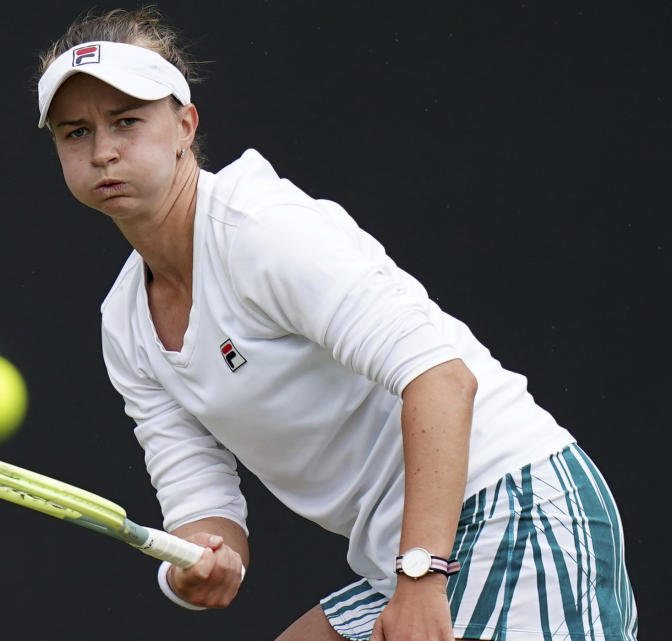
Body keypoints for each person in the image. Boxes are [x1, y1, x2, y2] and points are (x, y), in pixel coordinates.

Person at [33, 7, 638, 640]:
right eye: (75, 133)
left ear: (185, 125)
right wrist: (199, 564)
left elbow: (440, 377)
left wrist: (421, 578)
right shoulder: (125, 327)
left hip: (514, 514)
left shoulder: (264, 232)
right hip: (412, 555)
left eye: (127, 122)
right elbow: (201, 501)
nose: (103, 151)